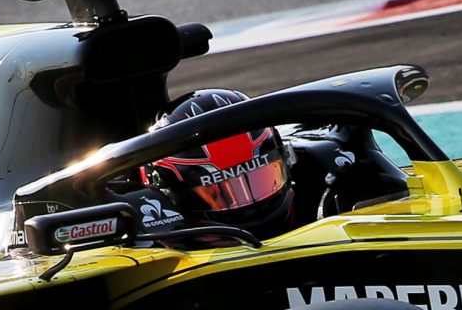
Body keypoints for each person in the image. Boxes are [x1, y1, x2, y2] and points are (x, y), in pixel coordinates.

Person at [137, 89, 406, 239]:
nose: (250, 205)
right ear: (171, 194)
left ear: (285, 160)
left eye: (261, 179)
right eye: (220, 193)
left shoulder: (327, 165)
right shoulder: (144, 224)